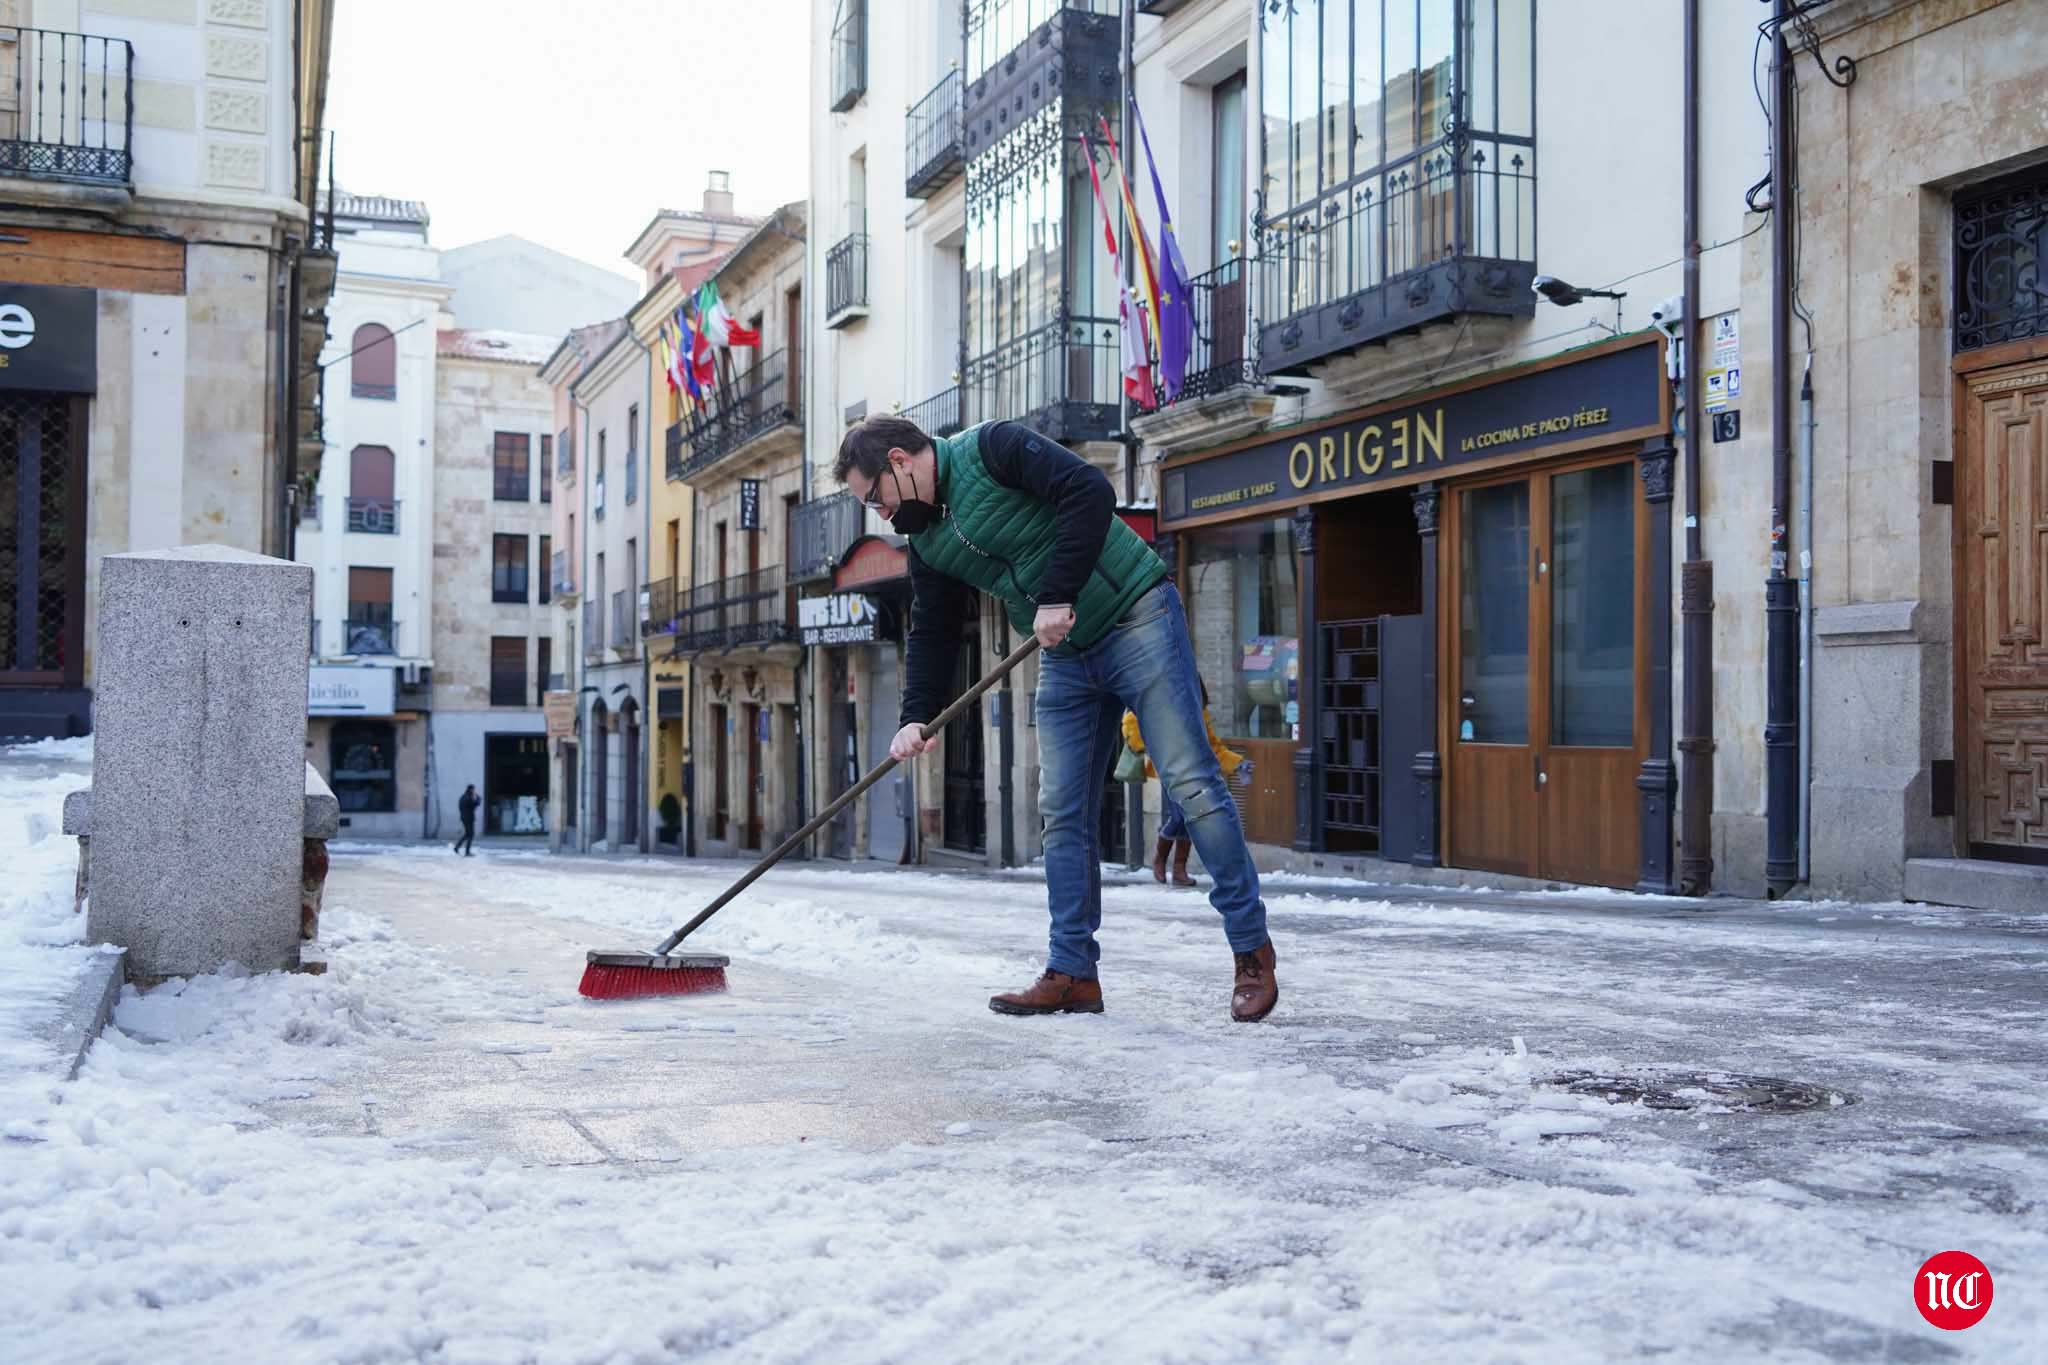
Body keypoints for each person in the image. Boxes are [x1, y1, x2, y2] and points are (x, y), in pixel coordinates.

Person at [834, 413, 1278, 1023]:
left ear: (899, 462)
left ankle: (1251, 952)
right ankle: (1072, 973)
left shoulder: (991, 448)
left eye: (875, 498)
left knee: (1192, 784)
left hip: (1137, 615)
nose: (881, 514)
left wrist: (1057, 593)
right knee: (1063, 812)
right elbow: (932, 630)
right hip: (1067, 655)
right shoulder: (927, 542)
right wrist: (915, 716)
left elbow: (1089, 491)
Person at [1122, 676, 1248, 890]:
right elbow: (1132, 722)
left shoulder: (1200, 710)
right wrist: (1146, 742)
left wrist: (1237, 763)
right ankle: (1161, 858)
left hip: (1195, 771)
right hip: (1170, 769)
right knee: (1180, 816)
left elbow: (1213, 746)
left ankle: (1179, 869)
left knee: (1190, 815)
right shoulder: (1161, 700)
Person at [453, 784, 479, 856]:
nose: (474, 791)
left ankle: (457, 847)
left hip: (464, 818)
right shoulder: (468, 797)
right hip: (469, 818)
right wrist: (478, 799)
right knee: (471, 834)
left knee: (467, 834)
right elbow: (474, 805)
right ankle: (467, 852)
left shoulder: (463, 797)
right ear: (471, 789)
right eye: (473, 789)